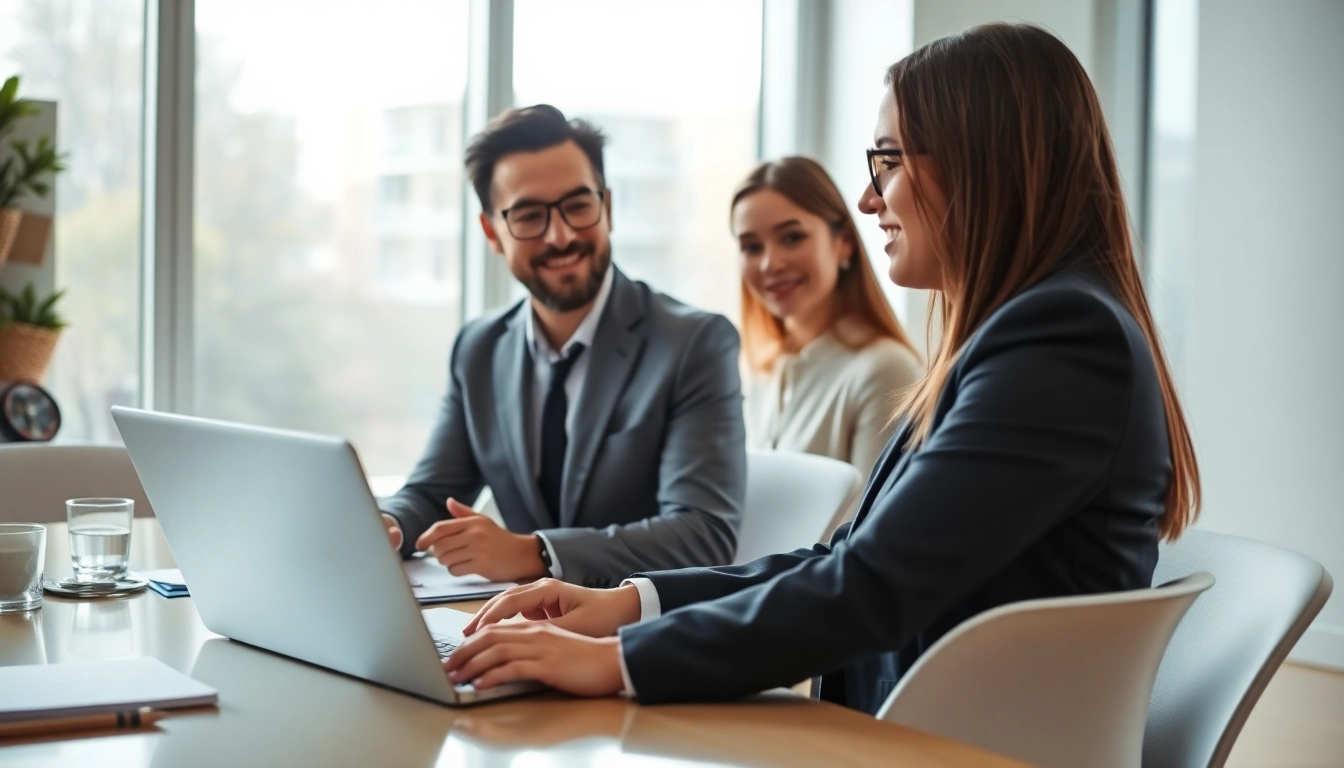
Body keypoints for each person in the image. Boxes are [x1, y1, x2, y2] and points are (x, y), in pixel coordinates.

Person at [440, 23, 1202, 712]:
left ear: (981, 163)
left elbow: (872, 589)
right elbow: (848, 558)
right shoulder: (1027, 332)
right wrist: (628, 604)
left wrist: (615, 662)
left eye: (888, 161)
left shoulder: (1059, 338)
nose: (869, 198)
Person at [379, 105, 746, 588]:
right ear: (492, 232)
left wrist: (537, 553)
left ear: (607, 207)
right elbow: (431, 493)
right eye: (530, 215)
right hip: (518, 628)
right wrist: (388, 526)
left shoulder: (693, 344)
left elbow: (703, 533)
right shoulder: (480, 348)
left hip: (633, 641)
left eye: (578, 205)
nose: (562, 235)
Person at [733, 156, 922, 481]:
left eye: (792, 238)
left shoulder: (884, 370)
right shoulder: (762, 371)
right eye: (751, 247)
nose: (769, 264)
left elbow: (872, 524)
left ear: (844, 243)